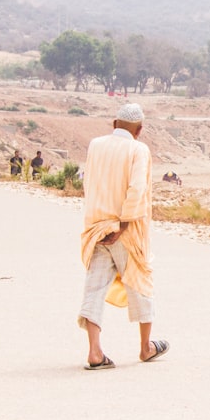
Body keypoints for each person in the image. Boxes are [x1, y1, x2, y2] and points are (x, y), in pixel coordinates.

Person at [78, 103, 168, 370]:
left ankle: (95, 352)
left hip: (96, 228)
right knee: (140, 283)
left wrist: (100, 221)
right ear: (139, 130)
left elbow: (89, 183)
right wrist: (124, 225)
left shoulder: (95, 145)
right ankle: (146, 347)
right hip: (124, 231)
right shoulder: (138, 150)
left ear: (114, 123)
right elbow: (137, 188)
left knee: (94, 288)